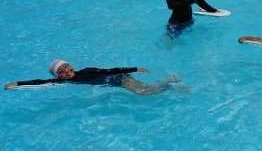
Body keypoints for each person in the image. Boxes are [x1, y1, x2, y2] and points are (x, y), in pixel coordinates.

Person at [4, 59, 185, 96]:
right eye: (61, 70)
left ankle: (169, 82)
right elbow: (41, 82)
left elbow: (108, 70)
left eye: (66, 66)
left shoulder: (85, 72)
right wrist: (17, 83)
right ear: (58, 76)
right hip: (116, 82)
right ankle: (170, 85)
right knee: (146, 91)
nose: (66, 70)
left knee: (144, 92)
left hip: (119, 78)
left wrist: (134, 68)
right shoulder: (65, 81)